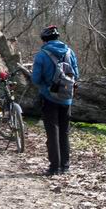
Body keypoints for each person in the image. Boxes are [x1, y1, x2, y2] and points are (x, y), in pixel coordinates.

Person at [31, 25, 80, 176]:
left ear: (44, 40)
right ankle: (65, 166)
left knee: (52, 133)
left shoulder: (41, 55)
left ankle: (54, 167)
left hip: (49, 97)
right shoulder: (69, 52)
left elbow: (36, 79)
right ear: (57, 38)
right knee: (64, 132)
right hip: (67, 98)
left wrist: (45, 86)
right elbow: (76, 75)